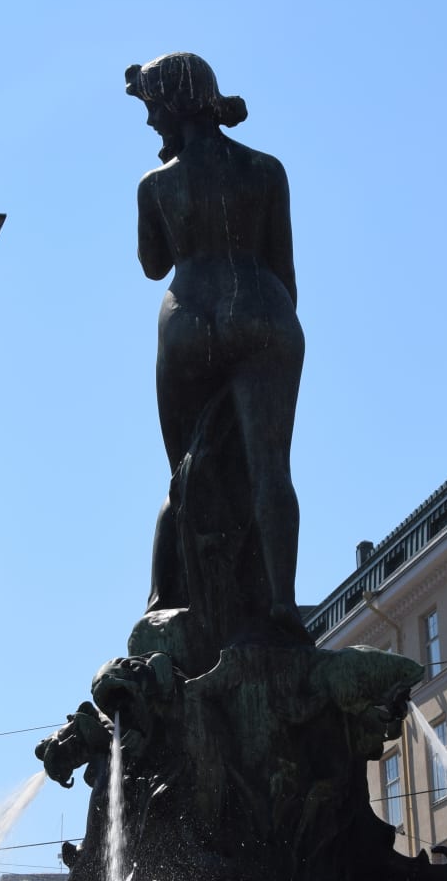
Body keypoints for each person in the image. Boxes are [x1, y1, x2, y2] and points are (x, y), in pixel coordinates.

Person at [127, 53, 305, 631]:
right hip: (264, 310)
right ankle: (281, 605)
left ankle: (191, 603)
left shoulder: (156, 184)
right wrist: (272, 332)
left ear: (172, 106)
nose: (149, 121)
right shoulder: (266, 169)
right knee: (271, 469)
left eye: (152, 108)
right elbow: (283, 265)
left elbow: (153, 264)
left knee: (186, 471)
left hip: (189, 319)